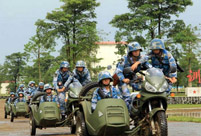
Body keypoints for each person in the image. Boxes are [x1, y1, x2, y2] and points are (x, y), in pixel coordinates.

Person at [115, 42, 151, 108]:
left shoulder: (141, 59)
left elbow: (149, 66)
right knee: (127, 97)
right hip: (123, 79)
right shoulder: (124, 59)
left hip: (133, 78)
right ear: (130, 52)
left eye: (137, 50)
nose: (136, 52)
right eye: (134, 51)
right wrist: (123, 79)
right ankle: (128, 112)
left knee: (146, 91)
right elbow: (118, 71)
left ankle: (142, 109)